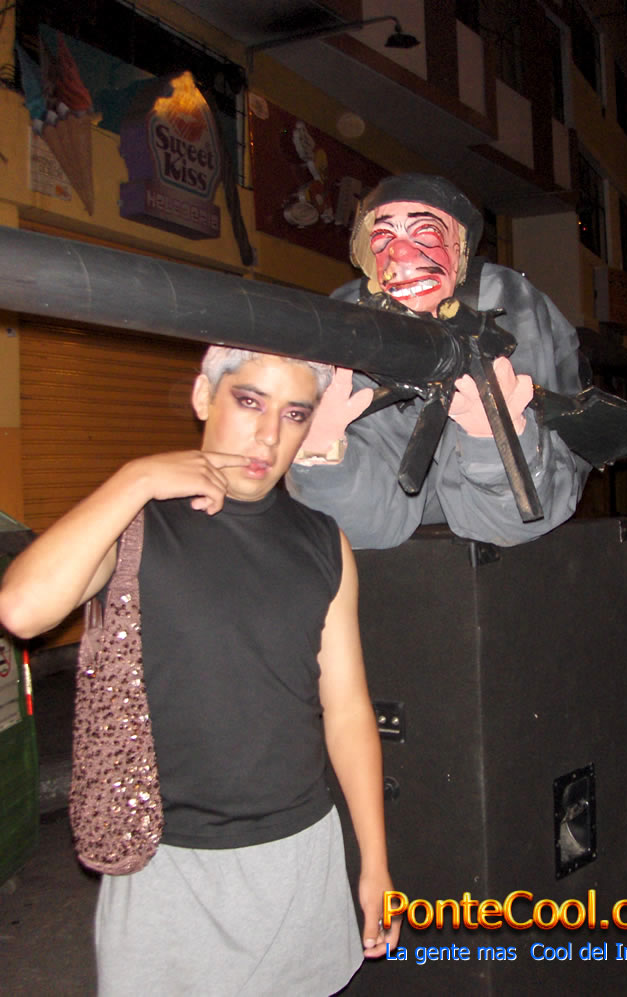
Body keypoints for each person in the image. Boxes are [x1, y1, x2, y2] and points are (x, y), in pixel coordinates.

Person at [0, 347, 399, 995]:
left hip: (299, 852)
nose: (268, 435)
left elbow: (347, 708)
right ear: (202, 397)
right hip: (168, 866)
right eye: (250, 401)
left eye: (294, 414)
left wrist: (375, 860)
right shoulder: (138, 522)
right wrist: (135, 477)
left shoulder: (324, 542)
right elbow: (21, 609)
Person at [287, 173, 591, 549]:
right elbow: (361, 526)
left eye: (425, 234)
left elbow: (523, 516)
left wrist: (490, 439)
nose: (400, 255)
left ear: (459, 249)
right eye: (382, 239)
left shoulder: (503, 299)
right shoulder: (354, 316)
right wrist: (321, 453)